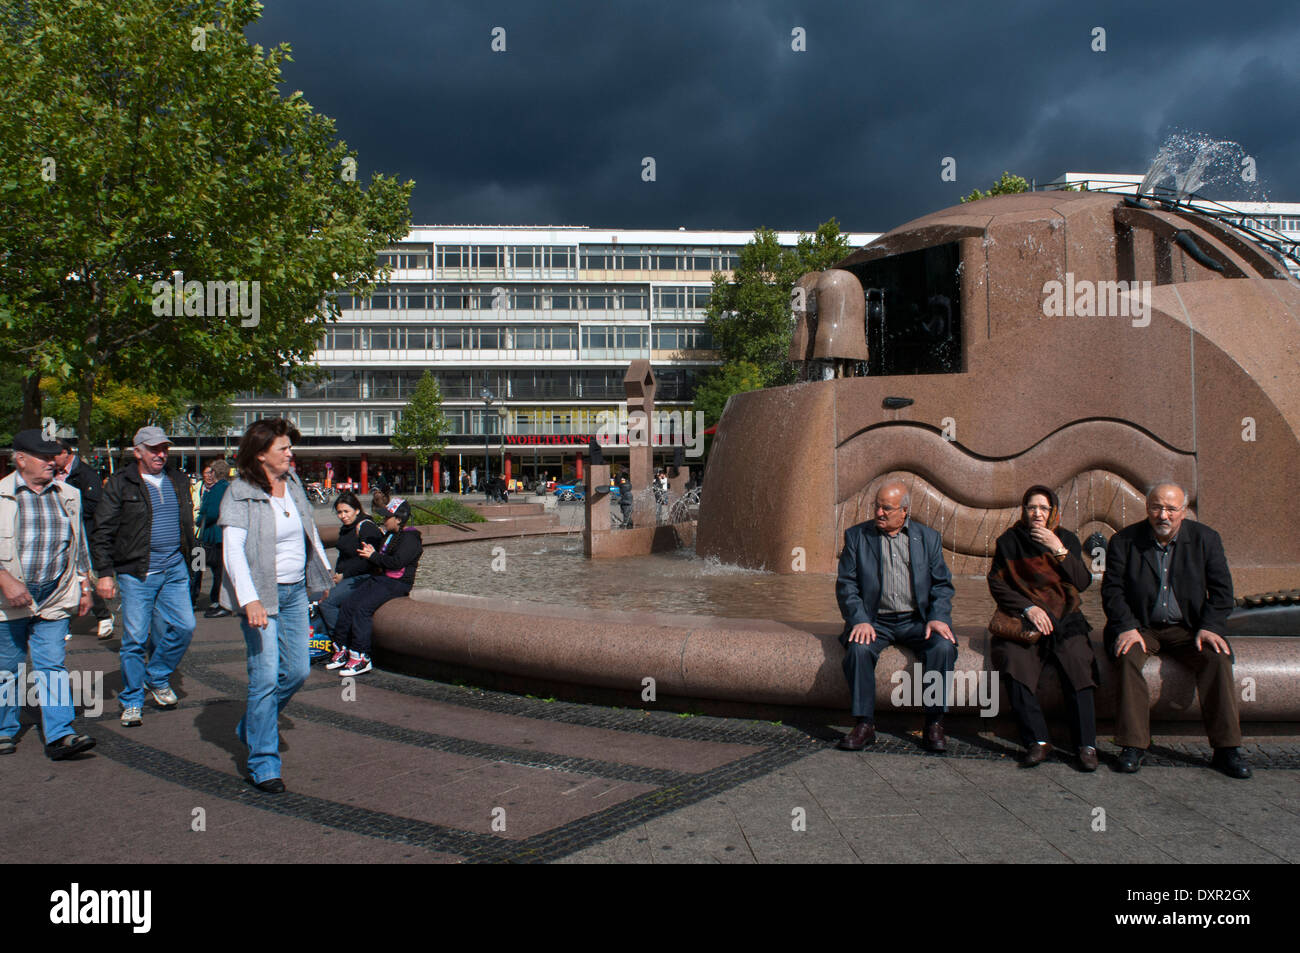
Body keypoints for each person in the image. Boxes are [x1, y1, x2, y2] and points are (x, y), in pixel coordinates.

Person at [1101, 483, 1249, 778]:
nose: (1163, 515)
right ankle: (1133, 745)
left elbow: (1222, 592)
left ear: (1184, 511)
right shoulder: (1124, 540)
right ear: (1147, 508)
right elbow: (1112, 591)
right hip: (1142, 626)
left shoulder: (1206, 539)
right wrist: (1127, 626)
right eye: (1157, 507)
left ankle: (1226, 749)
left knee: (1217, 658)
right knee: (1127, 657)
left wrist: (1210, 627)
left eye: (1171, 508)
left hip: (1189, 628)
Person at [219, 418, 332, 793]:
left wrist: (325, 571)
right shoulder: (239, 492)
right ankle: (264, 762)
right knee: (265, 677)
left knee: (298, 671)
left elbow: (308, 528)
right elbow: (232, 549)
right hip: (261, 596)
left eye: (289, 447)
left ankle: (253, 723)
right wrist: (249, 599)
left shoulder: (294, 483)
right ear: (261, 454)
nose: (290, 453)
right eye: (283, 448)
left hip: (296, 590)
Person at [835, 480, 957, 752]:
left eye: (886, 508)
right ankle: (864, 724)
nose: (879, 513)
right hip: (875, 620)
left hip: (917, 620)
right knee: (858, 650)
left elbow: (942, 585)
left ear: (904, 511)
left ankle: (934, 722)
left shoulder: (928, 538)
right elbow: (847, 585)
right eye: (876, 506)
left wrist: (937, 617)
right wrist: (860, 619)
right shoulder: (857, 536)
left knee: (943, 647)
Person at [987, 485, 1100, 770]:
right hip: (1027, 619)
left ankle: (1086, 744)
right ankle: (1037, 740)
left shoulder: (1066, 539)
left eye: (1043, 508)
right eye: (1031, 507)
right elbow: (997, 583)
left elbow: (1083, 582)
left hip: (1066, 618)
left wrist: (1058, 549)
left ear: (1053, 512)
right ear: (1024, 510)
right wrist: (1029, 607)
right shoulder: (1010, 541)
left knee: (1079, 664)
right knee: (1013, 662)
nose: (1037, 513)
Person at [92, 426, 197, 727]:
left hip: (174, 568)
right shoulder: (120, 483)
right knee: (136, 640)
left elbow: (186, 521)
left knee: (185, 626)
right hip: (137, 572)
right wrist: (105, 573)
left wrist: (191, 555)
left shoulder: (177, 478)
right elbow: (103, 531)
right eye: (154, 449)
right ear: (138, 451)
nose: (161, 454)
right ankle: (132, 699)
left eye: (164, 448)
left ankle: (157, 676)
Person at [0, 430, 97, 759]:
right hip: (8, 598)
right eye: (43, 456)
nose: (52, 462)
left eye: (53, 455)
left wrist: (85, 585)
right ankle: (4, 729)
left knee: (52, 665)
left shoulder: (68, 493)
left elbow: (78, 542)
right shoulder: (1, 494)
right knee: (7, 668)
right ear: (21, 459)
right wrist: (5, 580)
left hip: (53, 595)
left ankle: (60, 735)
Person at [327, 497, 422, 677]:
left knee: (363, 609)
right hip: (381, 579)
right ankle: (342, 648)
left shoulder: (411, 539)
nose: (384, 521)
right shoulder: (390, 535)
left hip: (397, 583)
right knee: (349, 604)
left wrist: (373, 557)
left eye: (388, 517)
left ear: (399, 519)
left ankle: (362, 656)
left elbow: (396, 562)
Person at [53, 439, 114, 639]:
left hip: (82, 533)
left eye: (54, 455)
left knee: (83, 577)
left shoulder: (86, 474)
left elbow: (94, 505)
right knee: (59, 577)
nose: (51, 460)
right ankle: (60, 622)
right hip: (58, 534)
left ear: (65, 453)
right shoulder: (51, 473)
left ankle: (104, 616)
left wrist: (66, 507)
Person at [319, 491, 384, 660]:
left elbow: (369, 559)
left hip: (362, 577)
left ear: (356, 510)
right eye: (339, 512)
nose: (342, 516)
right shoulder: (347, 527)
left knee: (327, 603)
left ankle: (341, 643)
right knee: (324, 599)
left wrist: (344, 575)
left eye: (346, 511)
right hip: (348, 577)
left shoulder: (366, 526)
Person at [197, 460, 232, 618]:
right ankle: (218, 599)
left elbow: (211, 512)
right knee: (218, 570)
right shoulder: (227, 487)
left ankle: (214, 599)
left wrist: (199, 519)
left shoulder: (217, 489)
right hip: (220, 536)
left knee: (198, 566)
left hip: (211, 536)